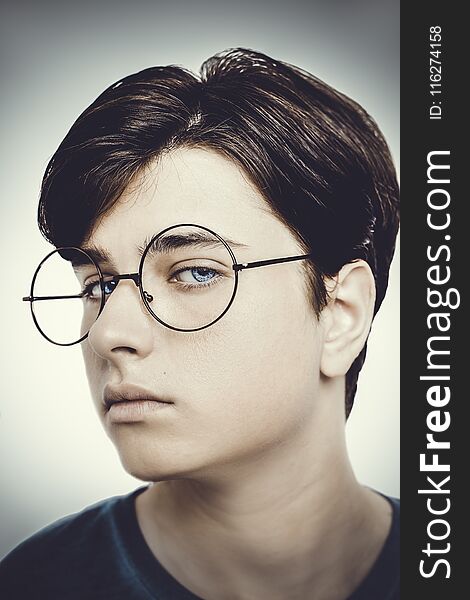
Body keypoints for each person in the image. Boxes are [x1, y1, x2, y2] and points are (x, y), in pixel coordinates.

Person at [0, 47, 399, 599]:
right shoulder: (33, 585)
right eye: (96, 285)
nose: (110, 332)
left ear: (341, 313)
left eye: (193, 273)